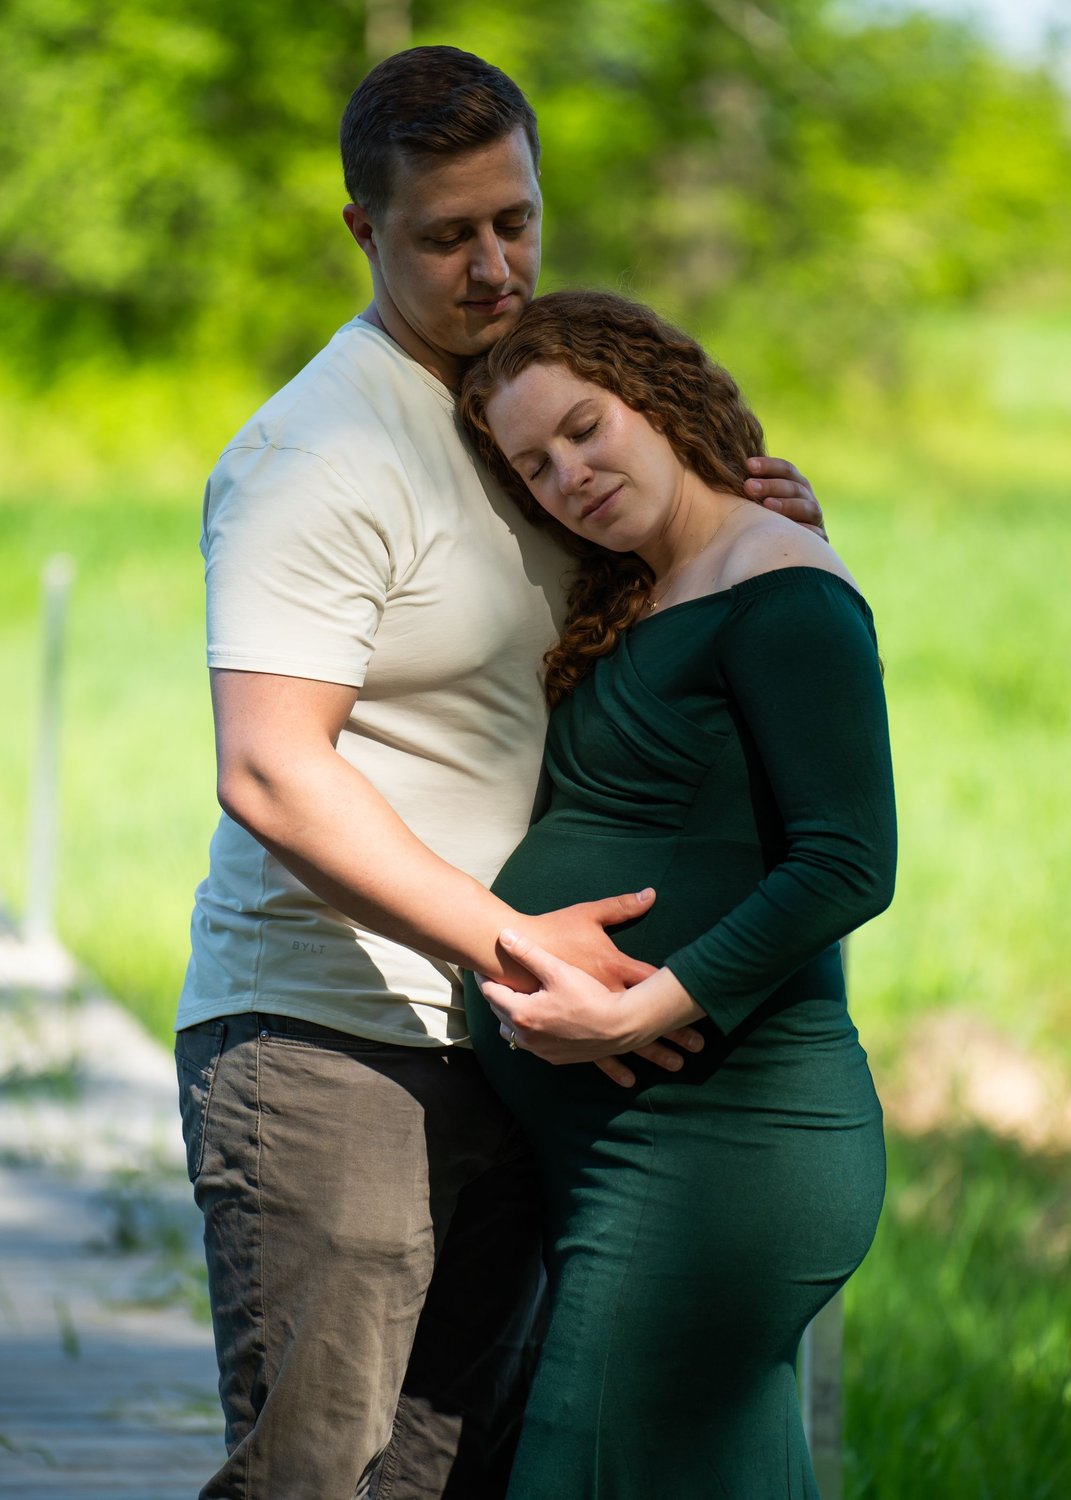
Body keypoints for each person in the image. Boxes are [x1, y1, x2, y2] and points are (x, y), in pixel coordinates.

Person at [174, 47, 825, 1500]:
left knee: (454, 1479)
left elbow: (673, 666)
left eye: (515, 222)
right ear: (364, 230)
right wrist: (517, 944)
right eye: (445, 235)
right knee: (313, 1479)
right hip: (336, 1036)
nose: (493, 268)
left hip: (520, 1046)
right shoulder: (315, 453)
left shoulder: (538, 420)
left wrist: (758, 538)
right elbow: (270, 771)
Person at [458, 289, 896, 1499]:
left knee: (580, 1471)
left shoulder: (782, 583)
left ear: (656, 396)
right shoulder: (653, 586)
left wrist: (635, 1013)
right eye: (535, 466)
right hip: (631, 1147)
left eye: (586, 427)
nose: (570, 476)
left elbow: (850, 861)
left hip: (726, 1145)